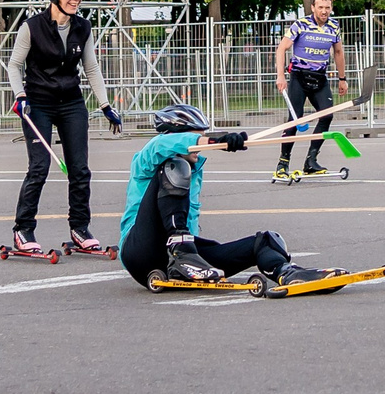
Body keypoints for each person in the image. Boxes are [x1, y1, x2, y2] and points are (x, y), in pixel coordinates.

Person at [118, 103, 328, 288]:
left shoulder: (193, 169)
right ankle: (182, 254)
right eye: (195, 136)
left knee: (265, 241)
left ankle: (287, 273)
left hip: (180, 256)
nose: (199, 145)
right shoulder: (146, 162)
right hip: (140, 251)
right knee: (178, 166)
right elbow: (162, 146)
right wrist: (211, 140)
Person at [5, 0, 121, 255]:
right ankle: (23, 229)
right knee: (39, 167)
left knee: (80, 169)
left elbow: (91, 67)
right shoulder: (31, 27)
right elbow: (14, 65)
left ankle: (80, 228)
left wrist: (105, 105)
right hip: (38, 103)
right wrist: (20, 96)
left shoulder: (83, 27)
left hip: (71, 102)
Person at [272, 0, 343, 180]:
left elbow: (338, 53)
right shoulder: (300, 25)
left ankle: (311, 161)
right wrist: (280, 76)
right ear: (313, 7)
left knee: (327, 115)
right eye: (320, 7)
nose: (324, 11)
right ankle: (283, 162)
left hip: (320, 78)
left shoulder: (334, 27)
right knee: (295, 119)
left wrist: (342, 79)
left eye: (327, 8)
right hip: (299, 78)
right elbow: (281, 48)